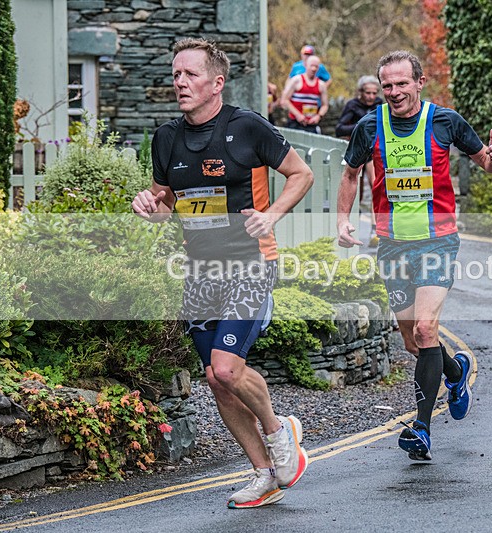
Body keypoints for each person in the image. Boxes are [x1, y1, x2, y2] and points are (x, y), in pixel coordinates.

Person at [131, 38, 314, 507]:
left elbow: (302, 174)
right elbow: (166, 204)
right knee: (215, 377)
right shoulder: (166, 138)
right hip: (201, 271)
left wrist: (271, 215)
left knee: (227, 368)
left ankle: (279, 435)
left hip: (251, 262)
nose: (180, 82)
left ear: (216, 82)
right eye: (176, 75)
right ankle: (263, 475)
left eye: (190, 74)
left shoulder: (248, 127)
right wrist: (148, 206)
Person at [337, 50, 492, 460]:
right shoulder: (369, 125)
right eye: (386, 86)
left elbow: (485, 161)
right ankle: (456, 370)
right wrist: (343, 220)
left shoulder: (445, 121)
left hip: (437, 240)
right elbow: (350, 172)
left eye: (401, 84)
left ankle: (422, 428)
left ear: (419, 81)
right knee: (414, 342)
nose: (393, 92)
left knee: (427, 330)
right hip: (392, 245)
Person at [335, 75, 383, 247]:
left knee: (377, 186)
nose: (371, 96)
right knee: (357, 192)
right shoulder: (352, 106)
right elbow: (339, 129)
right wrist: (362, 127)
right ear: (360, 92)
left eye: (374, 93)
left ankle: (375, 229)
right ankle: (350, 227)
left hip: (374, 152)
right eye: (367, 93)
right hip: (357, 151)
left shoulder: (380, 105)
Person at [281, 55, 329, 133]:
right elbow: (285, 100)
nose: (313, 69)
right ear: (306, 65)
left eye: (316, 67)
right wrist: (298, 115)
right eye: (311, 66)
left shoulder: (321, 85)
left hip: (312, 124)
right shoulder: (296, 80)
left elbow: (325, 105)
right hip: (295, 123)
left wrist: (318, 116)